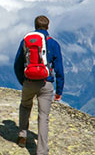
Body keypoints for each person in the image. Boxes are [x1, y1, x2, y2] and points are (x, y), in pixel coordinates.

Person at [13, 15, 64, 155]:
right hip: (45, 84)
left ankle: (23, 134)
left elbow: (17, 64)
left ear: (35, 26)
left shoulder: (26, 41)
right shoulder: (53, 43)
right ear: (48, 27)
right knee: (43, 117)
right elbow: (59, 69)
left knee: (25, 105)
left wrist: (23, 81)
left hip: (28, 82)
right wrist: (59, 90)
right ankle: (41, 151)